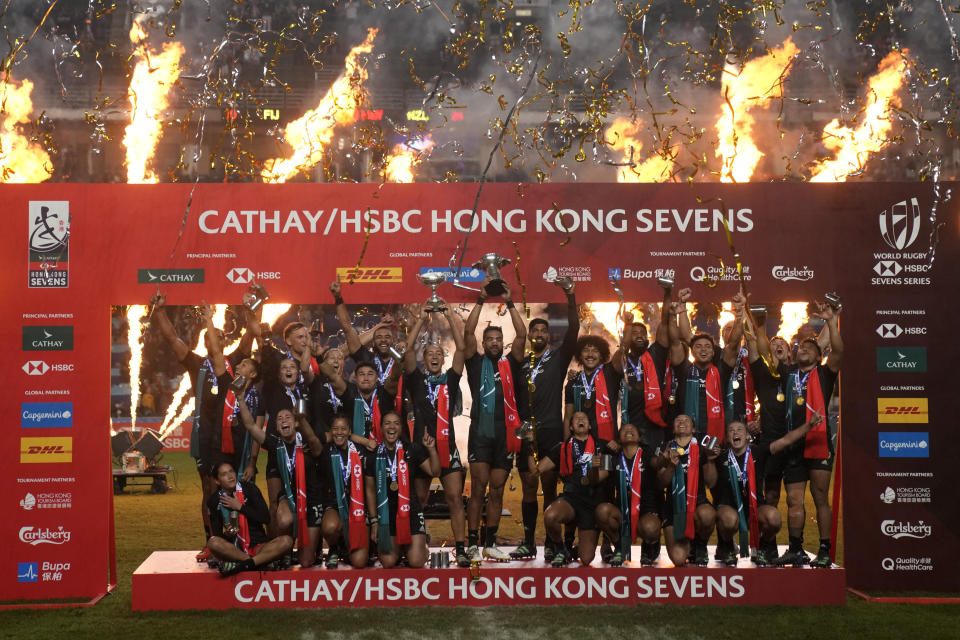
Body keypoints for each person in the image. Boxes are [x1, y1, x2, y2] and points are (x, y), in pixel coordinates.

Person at [150, 294, 255, 562]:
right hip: (206, 437)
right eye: (207, 338)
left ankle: (242, 537)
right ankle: (211, 539)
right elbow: (173, 339)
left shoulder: (236, 359)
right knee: (209, 488)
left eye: (216, 337)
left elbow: (250, 336)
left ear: (223, 341)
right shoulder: (196, 363)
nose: (212, 341)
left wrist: (255, 307)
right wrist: (160, 311)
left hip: (233, 436)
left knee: (237, 487)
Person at [752, 301, 842, 567]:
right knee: (793, 500)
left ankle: (824, 550)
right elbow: (765, 349)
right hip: (793, 446)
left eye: (809, 348)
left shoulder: (825, 373)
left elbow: (837, 349)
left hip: (818, 443)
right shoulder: (787, 372)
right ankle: (796, 548)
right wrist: (757, 323)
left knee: (820, 497)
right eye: (800, 347)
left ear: (818, 356)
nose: (803, 349)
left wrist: (832, 319)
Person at [510, 278, 579, 561]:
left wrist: (570, 295)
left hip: (551, 432)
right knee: (528, 486)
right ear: (529, 336)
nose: (538, 334)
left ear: (549, 337)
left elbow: (573, 329)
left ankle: (552, 543)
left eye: (543, 331)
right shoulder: (521, 363)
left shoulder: (558, 358)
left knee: (549, 486)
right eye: (534, 331)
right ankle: (528, 542)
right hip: (526, 432)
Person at [462, 276, 527, 562]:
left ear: (503, 343)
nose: (494, 343)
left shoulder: (510, 362)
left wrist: (510, 302)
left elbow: (522, 335)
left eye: (498, 339)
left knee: (498, 489)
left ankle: (490, 543)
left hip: (505, 435)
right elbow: (467, 333)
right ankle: (473, 544)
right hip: (480, 434)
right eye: (490, 340)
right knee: (478, 488)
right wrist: (480, 299)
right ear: (484, 343)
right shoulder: (476, 364)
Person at [400, 304, 470, 567]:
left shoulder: (450, 379)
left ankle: (461, 549)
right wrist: (419, 319)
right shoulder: (416, 380)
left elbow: (462, 350)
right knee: (419, 500)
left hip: (446, 446)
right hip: (420, 449)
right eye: (429, 353)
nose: (433, 356)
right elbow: (407, 351)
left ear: (443, 358)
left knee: (454, 498)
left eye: (438, 353)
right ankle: (416, 544)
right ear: (424, 358)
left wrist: (449, 316)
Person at [712, 416, 824, 566]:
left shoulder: (758, 452)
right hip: (729, 507)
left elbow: (786, 440)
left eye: (739, 430)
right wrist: (708, 458)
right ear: (727, 437)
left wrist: (808, 425)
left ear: (747, 436)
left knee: (773, 518)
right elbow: (709, 481)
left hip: (755, 507)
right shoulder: (721, 456)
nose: (735, 433)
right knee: (728, 520)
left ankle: (763, 548)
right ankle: (726, 547)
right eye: (731, 431)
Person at [237, 404, 325, 567]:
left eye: (288, 417)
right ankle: (285, 551)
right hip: (290, 498)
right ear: (276, 427)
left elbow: (316, 444)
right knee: (283, 520)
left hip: (312, 501)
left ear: (296, 423)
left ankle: (313, 550)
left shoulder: (307, 441)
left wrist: (302, 419)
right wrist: (241, 398)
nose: (283, 420)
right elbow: (250, 426)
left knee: (305, 562)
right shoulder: (275, 444)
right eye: (279, 419)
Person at [364, 412, 440, 568]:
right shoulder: (372, 456)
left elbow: (435, 472)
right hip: (386, 514)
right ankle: (403, 549)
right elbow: (370, 491)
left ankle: (421, 546)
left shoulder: (412, 449)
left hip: (410, 510)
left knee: (417, 561)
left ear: (401, 428)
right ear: (381, 428)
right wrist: (374, 522)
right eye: (387, 423)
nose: (392, 427)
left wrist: (431, 449)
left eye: (396, 423)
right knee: (388, 562)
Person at [667, 291, 746, 442]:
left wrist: (739, 315)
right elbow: (675, 341)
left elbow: (734, 342)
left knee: (712, 466)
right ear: (692, 350)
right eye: (698, 346)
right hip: (687, 435)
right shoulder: (684, 370)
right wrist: (676, 312)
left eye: (707, 347)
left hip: (716, 435)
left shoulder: (721, 371)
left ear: (713, 352)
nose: (703, 349)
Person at [536, 411, 611, 567]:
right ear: (570, 427)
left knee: (586, 558)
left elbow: (600, 478)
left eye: (584, 418)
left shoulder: (603, 446)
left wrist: (594, 471)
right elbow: (537, 470)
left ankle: (576, 549)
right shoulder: (562, 448)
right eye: (576, 418)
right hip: (571, 499)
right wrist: (530, 445)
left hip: (592, 501)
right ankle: (560, 549)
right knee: (550, 517)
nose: (581, 419)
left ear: (590, 426)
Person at [205, 461, 293, 576]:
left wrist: (240, 507)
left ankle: (243, 564)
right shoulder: (214, 501)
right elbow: (217, 535)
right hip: (235, 550)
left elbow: (265, 518)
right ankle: (257, 562)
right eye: (224, 474)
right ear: (217, 481)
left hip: (259, 547)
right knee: (213, 542)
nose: (230, 476)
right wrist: (228, 534)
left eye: (231, 471)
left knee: (287, 541)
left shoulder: (250, 489)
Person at [595, 423, 663, 566]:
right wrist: (593, 467)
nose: (629, 430)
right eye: (624, 430)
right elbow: (596, 479)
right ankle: (619, 546)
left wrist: (665, 459)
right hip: (622, 511)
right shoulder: (612, 456)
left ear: (639, 438)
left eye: (633, 429)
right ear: (619, 438)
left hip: (646, 510)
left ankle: (649, 546)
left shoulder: (647, 452)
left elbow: (656, 463)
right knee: (602, 511)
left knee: (650, 528)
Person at [657, 414, 719, 567]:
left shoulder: (701, 448)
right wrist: (671, 466)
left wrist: (710, 460)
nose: (681, 422)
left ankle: (700, 544)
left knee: (707, 515)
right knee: (678, 559)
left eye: (686, 420)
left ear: (693, 429)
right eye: (678, 420)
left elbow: (711, 482)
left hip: (697, 502)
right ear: (673, 428)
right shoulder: (666, 448)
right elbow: (661, 484)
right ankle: (688, 542)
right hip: (673, 506)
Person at [316, 414, 369, 569]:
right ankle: (334, 547)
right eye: (335, 429)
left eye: (343, 429)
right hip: (335, 503)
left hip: (358, 506)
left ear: (349, 432)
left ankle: (345, 549)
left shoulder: (360, 451)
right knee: (330, 527)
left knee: (359, 562)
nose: (339, 432)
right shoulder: (325, 452)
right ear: (330, 432)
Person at [563, 335, 623, 442]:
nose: (590, 354)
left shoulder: (609, 373)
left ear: (601, 356)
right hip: (580, 442)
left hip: (607, 443)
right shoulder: (573, 380)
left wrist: (627, 325)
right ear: (580, 356)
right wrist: (567, 445)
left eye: (595, 351)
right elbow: (568, 418)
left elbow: (622, 352)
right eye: (586, 350)